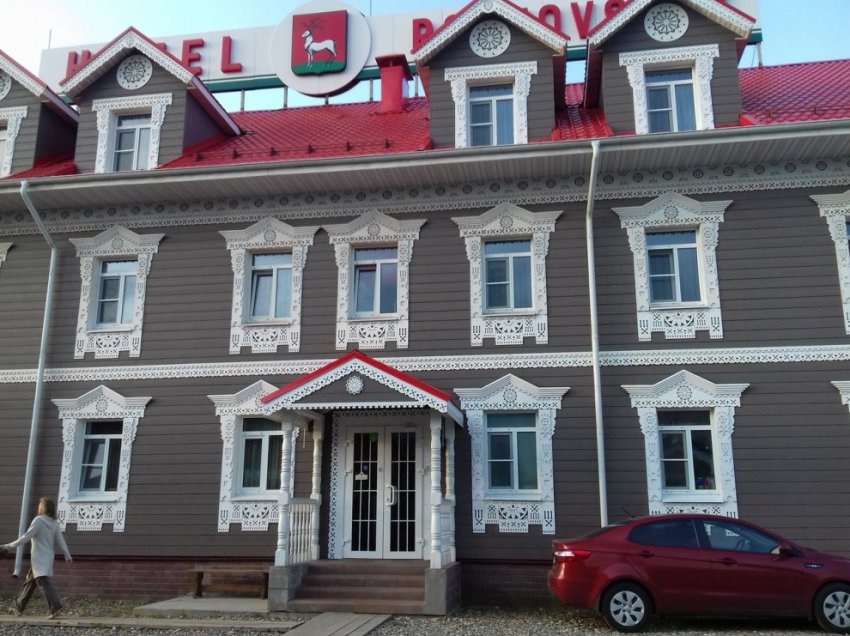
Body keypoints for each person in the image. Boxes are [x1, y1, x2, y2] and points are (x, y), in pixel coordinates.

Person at [2, 497, 72, 619]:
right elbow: (61, 540)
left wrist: (8, 546)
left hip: (39, 557)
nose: (38, 506)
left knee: (42, 582)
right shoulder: (54, 522)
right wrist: (67, 555)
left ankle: (55, 606)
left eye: (40, 504)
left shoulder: (38, 520)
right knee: (30, 581)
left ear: (43, 507)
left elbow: (26, 537)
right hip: (47, 556)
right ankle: (18, 607)